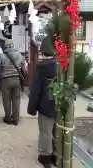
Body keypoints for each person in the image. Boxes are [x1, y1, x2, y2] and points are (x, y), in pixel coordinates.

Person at [27, 37, 57, 168]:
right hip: (59, 105)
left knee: (45, 131)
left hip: (45, 105)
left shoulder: (41, 67)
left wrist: (31, 108)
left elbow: (36, 90)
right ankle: (56, 154)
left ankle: (45, 157)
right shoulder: (61, 65)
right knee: (56, 130)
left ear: (43, 51)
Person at [0, 39, 25, 126]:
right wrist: (23, 80)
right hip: (16, 79)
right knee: (16, 99)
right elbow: (24, 70)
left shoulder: (1, 55)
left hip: (5, 80)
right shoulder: (19, 55)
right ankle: (16, 119)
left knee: (6, 100)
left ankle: (7, 118)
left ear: (5, 45)